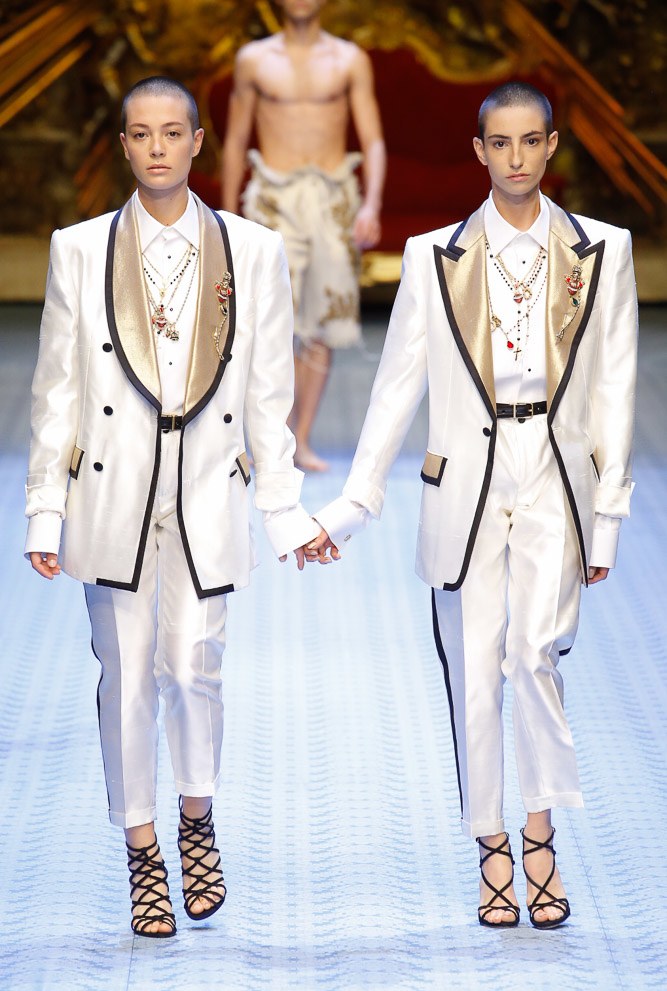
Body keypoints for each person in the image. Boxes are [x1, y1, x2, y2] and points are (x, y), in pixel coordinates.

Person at [309, 82, 638, 928]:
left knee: (533, 654)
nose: (516, 157)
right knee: (472, 672)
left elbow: (614, 388)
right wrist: (355, 502)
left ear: (551, 145)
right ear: (479, 150)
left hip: (554, 475)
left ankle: (540, 835)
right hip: (465, 484)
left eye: (530, 141)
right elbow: (396, 386)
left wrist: (606, 520)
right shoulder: (431, 256)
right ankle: (491, 843)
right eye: (500, 143)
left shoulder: (603, 250)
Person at [25, 76, 323, 938]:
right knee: (125, 677)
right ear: (123, 144)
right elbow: (57, 390)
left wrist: (284, 512)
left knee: (194, 668)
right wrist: (45, 511)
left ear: (198, 141)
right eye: (140, 134)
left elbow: (267, 395)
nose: (156, 147)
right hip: (110, 488)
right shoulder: (79, 248)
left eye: (171, 133)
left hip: (206, 489)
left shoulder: (253, 250)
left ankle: (196, 816)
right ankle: (142, 849)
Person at [221, 0, 386, 472]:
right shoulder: (254, 59)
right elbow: (235, 139)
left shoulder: (349, 59)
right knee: (271, 322)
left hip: (332, 197)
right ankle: (268, 438)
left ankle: (300, 438)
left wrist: (372, 204)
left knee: (325, 321)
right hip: (273, 197)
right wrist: (227, 217)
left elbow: (372, 138)